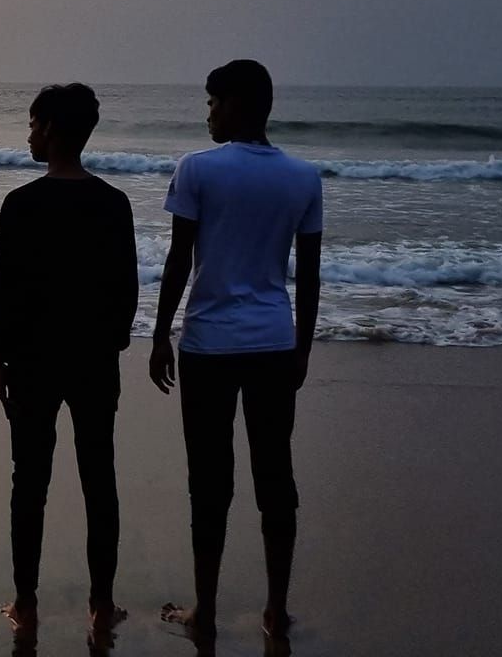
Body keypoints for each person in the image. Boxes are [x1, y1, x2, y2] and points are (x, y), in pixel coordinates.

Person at [148, 60, 323, 651]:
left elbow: (180, 259)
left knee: (209, 481)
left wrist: (160, 333)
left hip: (210, 344)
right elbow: (309, 276)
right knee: (275, 475)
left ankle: (206, 609)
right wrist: (303, 347)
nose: (209, 113)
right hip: (274, 341)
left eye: (214, 102)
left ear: (239, 105)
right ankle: (276, 608)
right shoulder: (302, 176)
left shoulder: (198, 169)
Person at [0, 83, 137, 644]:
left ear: (50, 129)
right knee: (100, 477)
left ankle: (26, 603)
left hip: (33, 357)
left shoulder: (22, 203)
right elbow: (126, 288)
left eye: (32, 124)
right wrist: (112, 341)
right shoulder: (113, 202)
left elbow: (7, 287)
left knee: (29, 480)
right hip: (94, 357)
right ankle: (101, 604)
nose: (29, 134)